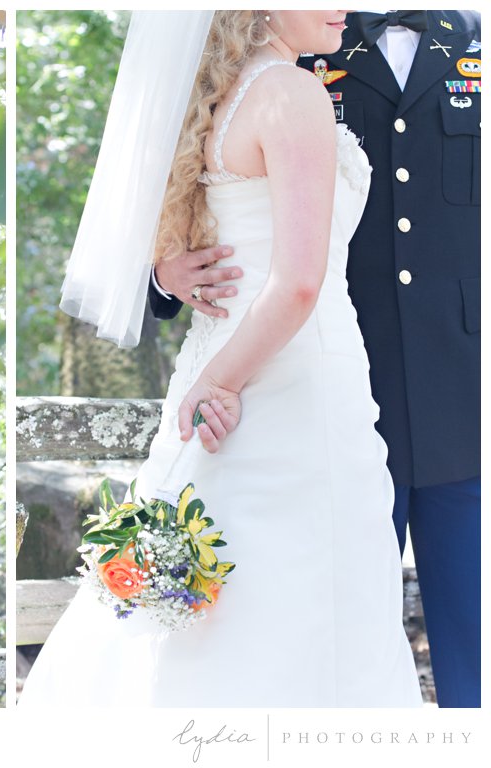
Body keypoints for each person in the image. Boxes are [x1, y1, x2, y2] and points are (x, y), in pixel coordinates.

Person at [20, 10, 421, 707]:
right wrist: (218, 383)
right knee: (315, 594)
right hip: (296, 379)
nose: (345, 7)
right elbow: (298, 283)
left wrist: (204, 355)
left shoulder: (213, 97)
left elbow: (176, 239)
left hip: (222, 361)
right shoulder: (291, 95)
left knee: (223, 593)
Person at [148, 10, 481, 708]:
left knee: (471, 643)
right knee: (316, 616)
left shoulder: (475, 40)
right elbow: (173, 196)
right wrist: (163, 276)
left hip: (463, 390)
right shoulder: (296, 63)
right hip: (317, 386)